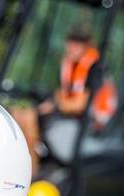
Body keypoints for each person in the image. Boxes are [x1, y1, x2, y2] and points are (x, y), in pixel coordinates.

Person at [13, 25, 118, 173]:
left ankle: (31, 173)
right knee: (19, 115)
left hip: (90, 127)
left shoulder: (95, 67)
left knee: (30, 119)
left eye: (78, 42)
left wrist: (58, 104)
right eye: (71, 41)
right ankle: (22, 170)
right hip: (68, 117)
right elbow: (60, 96)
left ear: (87, 45)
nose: (72, 46)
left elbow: (80, 104)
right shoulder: (70, 65)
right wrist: (45, 106)